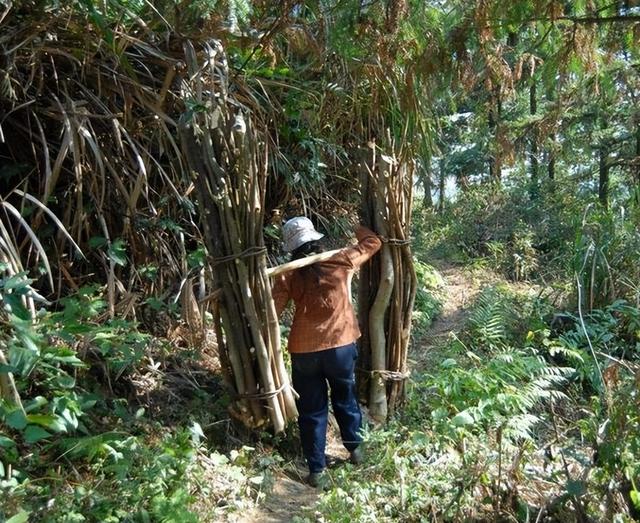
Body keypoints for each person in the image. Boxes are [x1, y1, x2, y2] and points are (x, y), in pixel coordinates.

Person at [271, 216, 382, 487]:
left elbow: (273, 310)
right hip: (340, 347)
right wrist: (356, 224)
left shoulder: (287, 273)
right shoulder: (341, 260)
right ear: (316, 239)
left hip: (303, 350)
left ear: (292, 248)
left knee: (311, 409)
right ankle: (356, 451)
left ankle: (317, 470)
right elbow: (373, 242)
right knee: (345, 398)